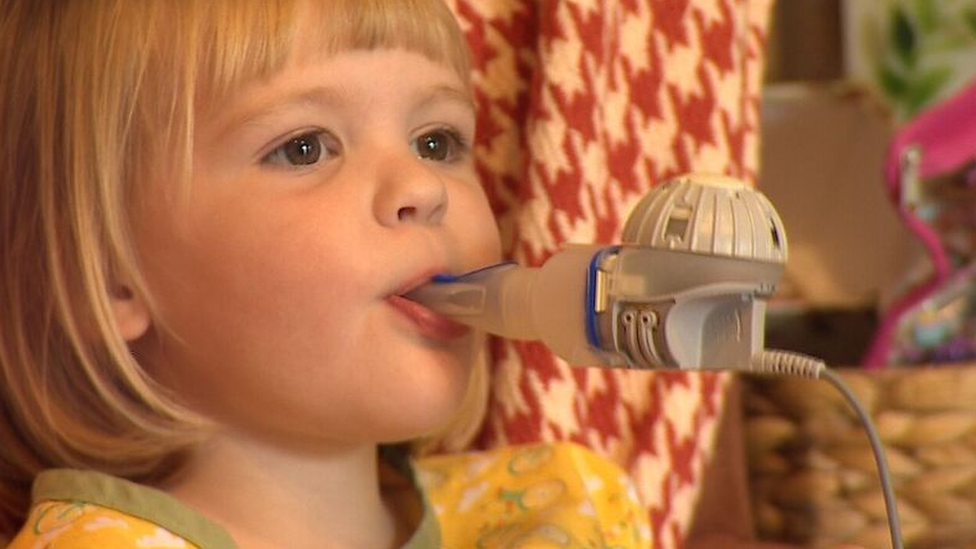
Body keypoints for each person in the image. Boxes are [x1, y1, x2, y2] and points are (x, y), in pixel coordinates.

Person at [0, 1, 863, 548]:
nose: (423, 187)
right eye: (305, 147)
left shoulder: (558, 509)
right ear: (111, 278)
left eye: (438, 140)